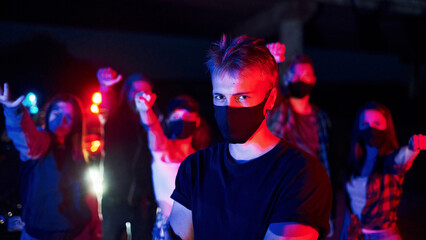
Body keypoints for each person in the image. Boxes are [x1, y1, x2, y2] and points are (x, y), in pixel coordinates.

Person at [168, 35, 332, 240]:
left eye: (242, 97)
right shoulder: (195, 168)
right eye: (220, 97)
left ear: (270, 99)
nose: (229, 109)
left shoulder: (302, 175)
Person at [0, 83, 101, 240]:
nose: (62, 120)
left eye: (69, 116)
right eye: (57, 112)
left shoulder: (77, 153)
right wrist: (14, 111)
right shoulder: (41, 142)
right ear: (47, 114)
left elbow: (87, 194)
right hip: (39, 235)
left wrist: (95, 225)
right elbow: (25, 138)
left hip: (78, 233)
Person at [340, 102, 426, 240]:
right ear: (359, 127)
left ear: (387, 127)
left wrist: (412, 149)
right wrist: (345, 225)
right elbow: (351, 201)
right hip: (354, 233)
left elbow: (399, 161)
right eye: (365, 123)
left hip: (383, 236)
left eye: (377, 123)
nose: (371, 129)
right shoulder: (355, 160)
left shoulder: (389, 158)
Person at [135, 93, 210, 240]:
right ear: (168, 121)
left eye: (187, 116)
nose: (182, 120)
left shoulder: (201, 158)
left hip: (197, 228)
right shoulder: (163, 150)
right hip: (169, 229)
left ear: (197, 121)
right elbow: (153, 129)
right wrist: (146, 110)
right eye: (176, 117)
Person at [97, 68, 157, 240]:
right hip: (113, 201)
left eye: (145, 92)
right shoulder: (116, 116)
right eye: (135, 90)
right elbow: (107, 105)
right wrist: (105, 87)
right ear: (127, 93)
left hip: (143, 204)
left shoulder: (154, 123)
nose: (140, 95)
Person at [266, 53, 331, 177]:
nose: (300, 80)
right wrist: (272, 62)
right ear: (286, 79)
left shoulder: (321, 117)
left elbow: (326, 157)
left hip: (313, 183)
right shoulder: (278, 109)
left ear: (313, 80)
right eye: (295, 75)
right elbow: (270, 91)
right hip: (285, 181)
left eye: (306, 75)